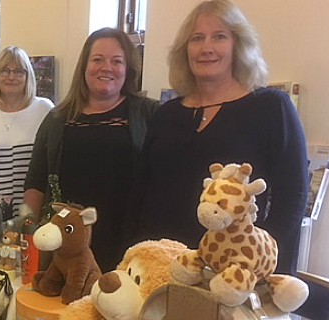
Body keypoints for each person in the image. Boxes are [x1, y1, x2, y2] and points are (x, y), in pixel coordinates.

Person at [132, 0, 308, 275]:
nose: (207, 48)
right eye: (197, 39)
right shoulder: (165, 114)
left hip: (230, 274)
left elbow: (292, 198)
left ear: (239, 45)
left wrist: (260, 263)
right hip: (161, 266)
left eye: (219, 37)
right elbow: (144, 193)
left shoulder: (271, 107)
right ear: (185, 50)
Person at [24, 28, 160, 272]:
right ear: (84, 66)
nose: (106, 67)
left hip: (127, 243)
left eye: (116, 61)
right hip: (66, 247)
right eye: (97, 59)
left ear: (128, 68)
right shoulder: (57, 119)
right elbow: (36, 179)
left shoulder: (149, 114)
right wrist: (27, 231)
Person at [0, 46, 53, 215]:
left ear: (28, 76)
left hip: (33, 210)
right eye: (5, 71)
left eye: (18, 71)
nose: (11, 77)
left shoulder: (44, 109)